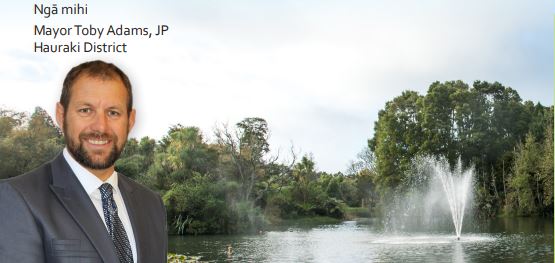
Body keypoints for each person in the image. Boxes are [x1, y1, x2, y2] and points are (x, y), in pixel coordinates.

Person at [0, 60, 167, 262]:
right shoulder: (16, 198)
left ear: (130, 121)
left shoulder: (151, 204)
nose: (100, 127)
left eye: (113, 113)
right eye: (86, 110)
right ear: (61, 116)